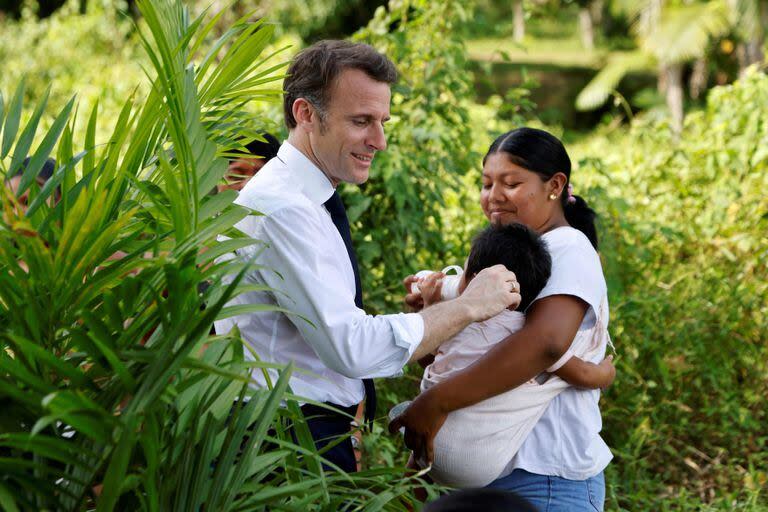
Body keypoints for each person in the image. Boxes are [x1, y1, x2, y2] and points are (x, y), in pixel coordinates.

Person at [213, 40, 521, 474]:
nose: (380, 141)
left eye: (382, 121)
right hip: (285, 441)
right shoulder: (285, 207)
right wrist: (468, 306)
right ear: (305, 114)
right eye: (362, 121)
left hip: (298, 434)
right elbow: (350, 346)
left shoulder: (309, 197)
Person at [391, 127, 614, 511]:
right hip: (490, 477)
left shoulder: (568, 247)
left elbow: (545, 342)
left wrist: (437, 402)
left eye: (511, 183)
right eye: (486, 183)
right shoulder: (517, 251)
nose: (494, 196)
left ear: (555, 185)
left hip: (545, 478)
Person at [410, 223, 614, 488]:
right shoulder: (523, 335)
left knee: (413, 480)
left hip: (424, 436)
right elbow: (582, 372)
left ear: (473, 279)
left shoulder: (456, 317)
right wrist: (606, 373)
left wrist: (429, 305)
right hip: (474, 465)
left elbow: (426, 357)